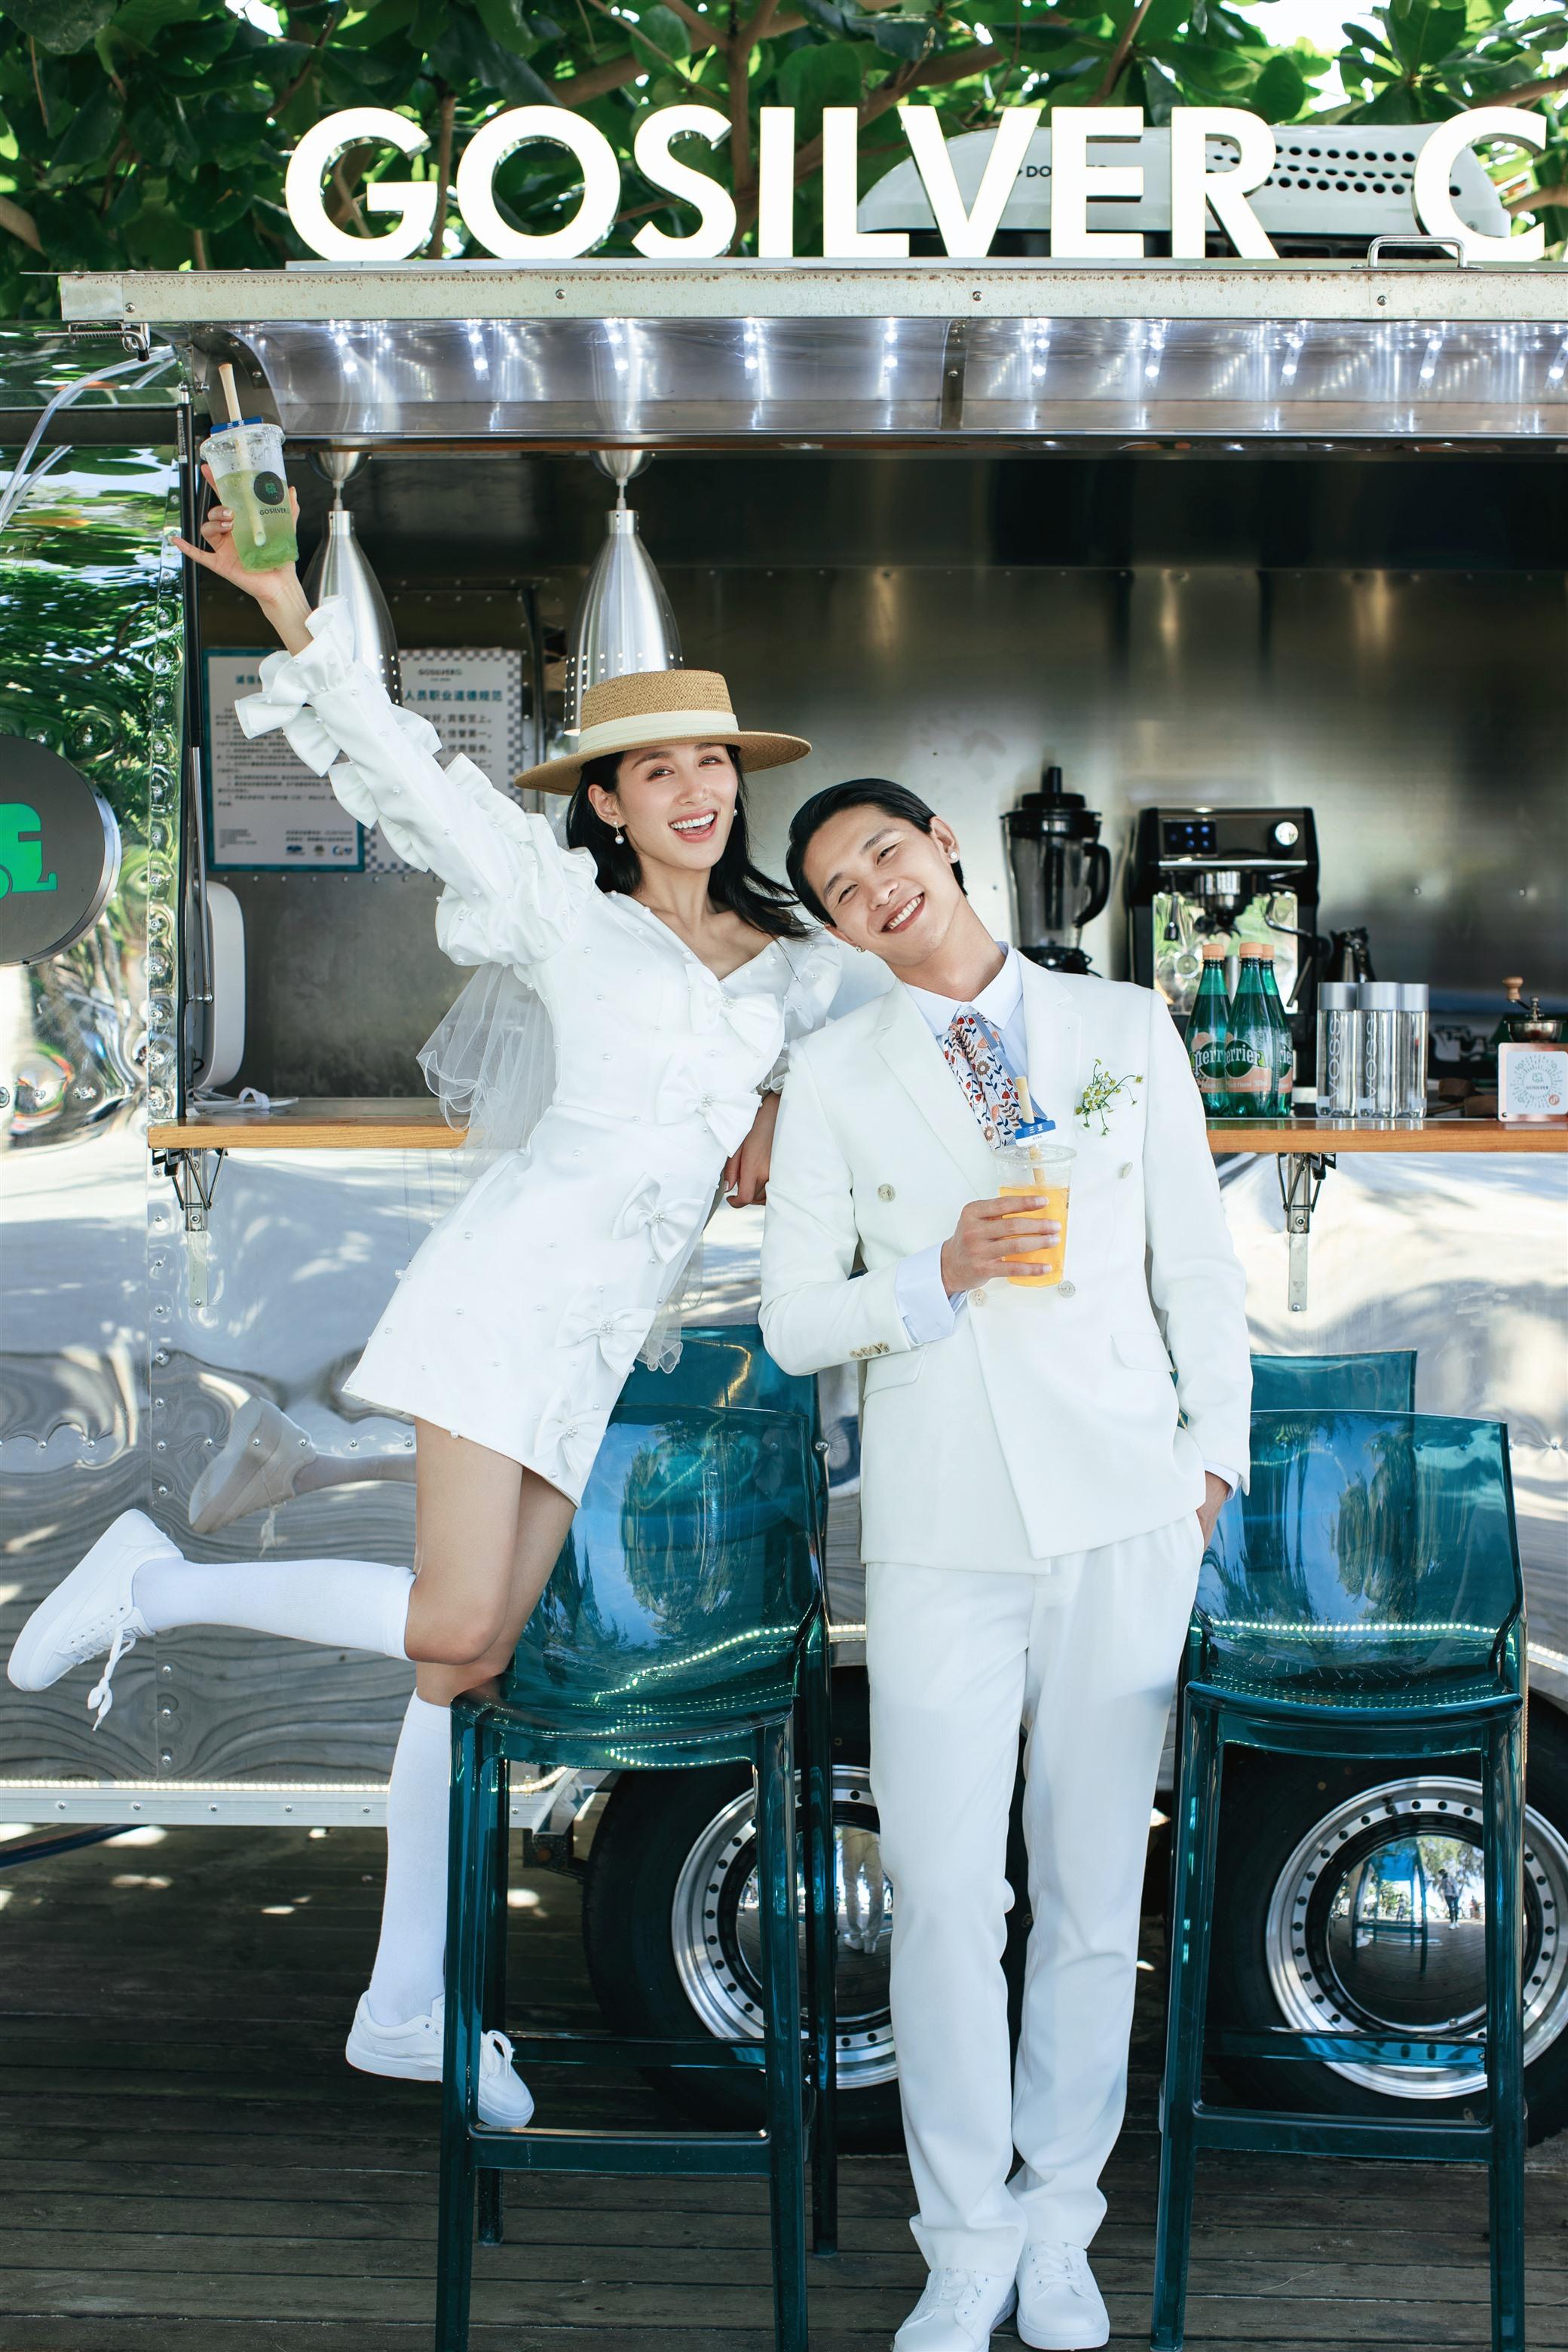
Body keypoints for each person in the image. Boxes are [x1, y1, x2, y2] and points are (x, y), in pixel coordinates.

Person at [8, 477, 839, 2124]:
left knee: (465, 1672)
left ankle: (407, 2009)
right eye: (656, 770)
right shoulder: (565, 917)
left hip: (600, 1338)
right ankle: (156, 1584)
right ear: (605, 803)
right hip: (503, 1296)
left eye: (712, 765)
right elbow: (403, 770)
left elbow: (912, 1043)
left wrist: (780, 1100)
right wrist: (287, 608)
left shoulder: (798, 964)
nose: (693, 792)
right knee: (456, 1629)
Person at [760, 780, 1251, 2352]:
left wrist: (1208, 1466)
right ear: (840, 932)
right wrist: (935, 1273)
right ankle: (963, 2240)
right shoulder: (834, 1074)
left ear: (946, 846)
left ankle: (1058, 2224)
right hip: (940, 1527)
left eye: (885, 854)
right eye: (841, 890)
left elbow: (1196, 1268)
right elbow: (792, 1323)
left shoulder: (1121, 1026)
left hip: (1123, 1508)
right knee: (944, 1896)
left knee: (1096, 1894)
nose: (874, 890)